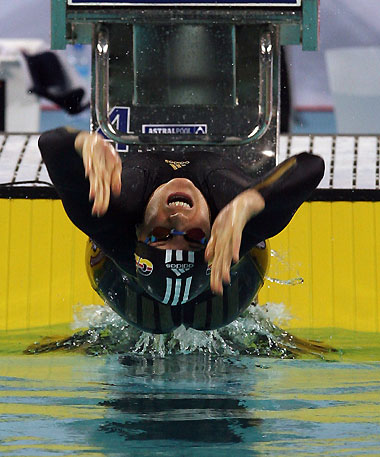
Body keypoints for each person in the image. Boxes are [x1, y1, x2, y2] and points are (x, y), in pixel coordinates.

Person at [39, 128, 324, 333]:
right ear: (212, 235)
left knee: (145, 307)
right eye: (195, 238)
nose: (178, 220)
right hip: (223, 269)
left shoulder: (112, 214)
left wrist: (81, 143)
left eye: (161, 234)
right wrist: (252, 201)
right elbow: (312, 166)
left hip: (126, 271)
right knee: (244, 255)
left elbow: (50, 144)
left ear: (138, 232)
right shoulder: (231, 213)